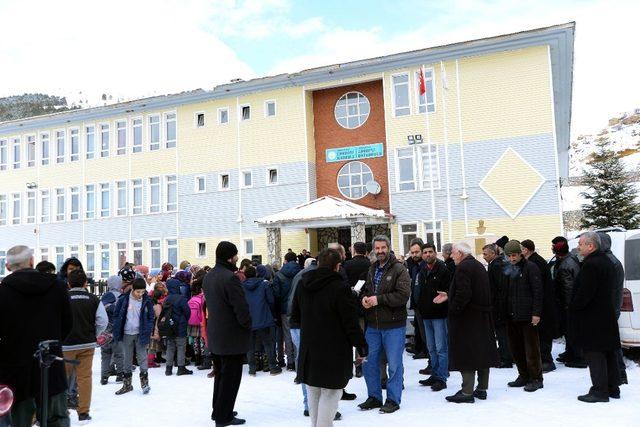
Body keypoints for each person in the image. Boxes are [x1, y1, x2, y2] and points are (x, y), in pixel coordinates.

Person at [292, 249, 367, 427]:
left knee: (314, 391)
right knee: (331, 392)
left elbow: (294, 316)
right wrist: (361, 346)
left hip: (310, 348)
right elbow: (350, 322)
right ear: (337, 266)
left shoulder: (303, 283)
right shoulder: (339, 287)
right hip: (334, 349)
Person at [0, 245, 73, 427]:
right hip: (51, 364)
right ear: (32, 261)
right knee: (57, 419)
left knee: (19, 422)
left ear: (8, 266)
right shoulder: (57, 287)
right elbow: (67, 324)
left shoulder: (3, 292)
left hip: (15, 370)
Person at [358, 235, 411, 414]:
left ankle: (393, 399)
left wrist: (378, 300)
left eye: (383, 248)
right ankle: (374, 397)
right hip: (373, 325)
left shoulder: (399, 269)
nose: (380, 251)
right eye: (377, 248)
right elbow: (366, 290)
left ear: (388, 247)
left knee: (394, 364)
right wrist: (364, 298)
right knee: (368, 362)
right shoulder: (372, 268)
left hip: (394, 326)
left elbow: (403, 295)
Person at [204, 241, 252, 427]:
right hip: (231, 337)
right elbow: (240, 308)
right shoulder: (230, 278)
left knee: (221, 377)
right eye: (236, 255)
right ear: (229, 257)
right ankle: (223, 417)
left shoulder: (209, 276)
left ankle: (220, 410)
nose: (237, 258)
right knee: (230, 379)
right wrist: (247, 324)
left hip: (216, 334)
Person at [445, 242, 499, 403]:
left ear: (460, 253)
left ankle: (467, 392)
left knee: (466, 353)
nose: (452, 256)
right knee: (482, 352)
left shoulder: (463, 268)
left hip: (468, 319)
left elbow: (464, 293)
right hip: (482, 317)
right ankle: (482, 388)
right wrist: (449, 295)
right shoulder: (478, 266)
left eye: (453, 253)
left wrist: (453, 309)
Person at [572, 232, 621, 402]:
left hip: (593, 318)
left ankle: (600, 391)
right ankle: (613, 387)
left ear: (590, 246)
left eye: (581, 244)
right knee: (607, 352)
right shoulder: (607, 261)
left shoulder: (591, 264)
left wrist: (574, 308)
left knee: (595, 354)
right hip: (605, 315)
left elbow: (584, 293)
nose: (578, 247)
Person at [62, 269, 108, 423]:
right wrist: (95, 334)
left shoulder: (63, 298)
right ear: (85, 283)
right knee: (84, 378)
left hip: (66, 345)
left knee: (62, 378)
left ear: (68, 283)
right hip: (86, 343)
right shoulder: (93, 299)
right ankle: (83, 413)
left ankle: (61, 410)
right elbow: (103, 320)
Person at [502, 240, 544, 392]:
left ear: (521, 254)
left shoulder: (531, 268)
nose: (512, 259)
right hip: (512, 315)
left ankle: (536, 378)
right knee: (516, 348)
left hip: (528, 316)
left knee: (531, 349)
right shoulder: (508, 269)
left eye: (514, 255)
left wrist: (536, 313)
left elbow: (538, 292)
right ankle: (523, 375)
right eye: (509, 256)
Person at [415, 243, 451, 391]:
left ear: (435, 253)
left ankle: (442, 377)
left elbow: (448, 291)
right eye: (425, 252)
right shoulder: (422, 270)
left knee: (441, 347)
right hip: (426, 315)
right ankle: (435, 374)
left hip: (440, 314)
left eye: (430, 252)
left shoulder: (443, 269)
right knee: (431, 347)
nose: (428, 254)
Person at [521, 239, 559, 373]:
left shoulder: (535, 262)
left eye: (521, 249)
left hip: (544, 304)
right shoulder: (534, 261)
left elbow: (538, 286)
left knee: (543, 334)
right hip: (542, 303)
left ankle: (547, 361)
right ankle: (543, 360)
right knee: (539, 334)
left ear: (525, 250)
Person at [112, 278, 155, 395]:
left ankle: (145, 384)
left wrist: (148, 328)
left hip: (141, 333)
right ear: (132, 289)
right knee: (127, 358)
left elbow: (151, 316)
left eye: (142, 292)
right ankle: (127, 385)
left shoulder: (147, 300)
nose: (140, 295)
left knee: (142, 357)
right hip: (127, 333)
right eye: (138, 292)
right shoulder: (123, 300)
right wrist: (116, 328)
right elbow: (116, 315)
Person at [550, 236, 586, 368]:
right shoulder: (570, 258)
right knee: (568, 330)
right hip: (568, 303)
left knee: (571, 330)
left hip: (568, 304)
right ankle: (570, 352)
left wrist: (567, 306)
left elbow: (568, 288)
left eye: (553, 247)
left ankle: (579, 357)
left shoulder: (566, 265)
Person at [598, 232, 628, 384]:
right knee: (612, 343)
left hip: (609, 308)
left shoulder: (610, 262)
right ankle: (619, 374)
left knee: (613, 344)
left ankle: (620, 374)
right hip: (611, 307)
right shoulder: (610, 260)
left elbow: (611, 290)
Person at [242, 265, 280, 376]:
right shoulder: (264, 284)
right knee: (268, 343)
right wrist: (272, 313)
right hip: (264, 317)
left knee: (250, 345)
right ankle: (272, 366)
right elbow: (271, 301)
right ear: (256, 274)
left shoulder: (242, 286)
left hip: (249, 319)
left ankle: (252, 369)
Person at [342, 242, 371, 378]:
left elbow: (344, 284)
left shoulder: (347, 265)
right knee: (368, 334)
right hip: (369, 302)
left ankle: (357, 365)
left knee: (355, 334)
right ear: (366, 251)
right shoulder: (371, 264)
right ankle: (367, 362)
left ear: (354, 251)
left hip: (352, 304)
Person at [483, 243, 512, 368]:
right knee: (502, 333)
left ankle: (506, 359)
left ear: (493, 254)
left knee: (502, 333)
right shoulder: (497, 263)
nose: (483, 256)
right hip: (499, 304)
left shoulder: (496, 265)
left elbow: (498, 288)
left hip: (499, 305)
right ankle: (505, 355)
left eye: (485, 254)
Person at [273, 251, 302, 370]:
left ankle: (290, 362)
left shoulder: (279, 274)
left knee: (287, 334)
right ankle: (298, 360)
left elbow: (276, 294)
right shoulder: (301, 272)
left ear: (285, 260)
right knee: (298, 334)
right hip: (299, 308)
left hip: (285, 309)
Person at [163, 276, 192, 376]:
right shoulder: (181, 298)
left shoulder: (166, 299)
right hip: (180, 326)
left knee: (170, 347)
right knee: (181, 346)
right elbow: (187, 311)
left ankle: (168, 368)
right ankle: (181, 367)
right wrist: (184, 320)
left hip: (169, 327)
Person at [406, 238, 428, 361]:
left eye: (417, 252)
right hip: (418, 305)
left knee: (427, 334)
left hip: (427, 306)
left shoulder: (426, 266)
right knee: (422, 332)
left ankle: (429, 357)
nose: (414, 255)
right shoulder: (414, 267)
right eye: (412, 252)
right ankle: (424, 351)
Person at [100, 275, 125, 385]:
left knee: (105, 354)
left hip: (105, 330)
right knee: (119, 353)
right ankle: (120, 374)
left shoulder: (106, 295)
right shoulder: (120, 295)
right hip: (117, 329)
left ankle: (104, 376)